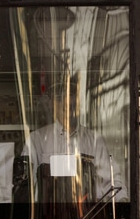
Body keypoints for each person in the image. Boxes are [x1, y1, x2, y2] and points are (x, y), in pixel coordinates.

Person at [25, 74, 128, 204]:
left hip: (89, 218)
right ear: (51, 103)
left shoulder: (95, 140)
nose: (67, 102)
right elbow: (27, 188)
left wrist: (123, 203)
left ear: (78, 100)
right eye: (59, 97)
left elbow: (113, 182)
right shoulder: (36, 140)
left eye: (71, 95)